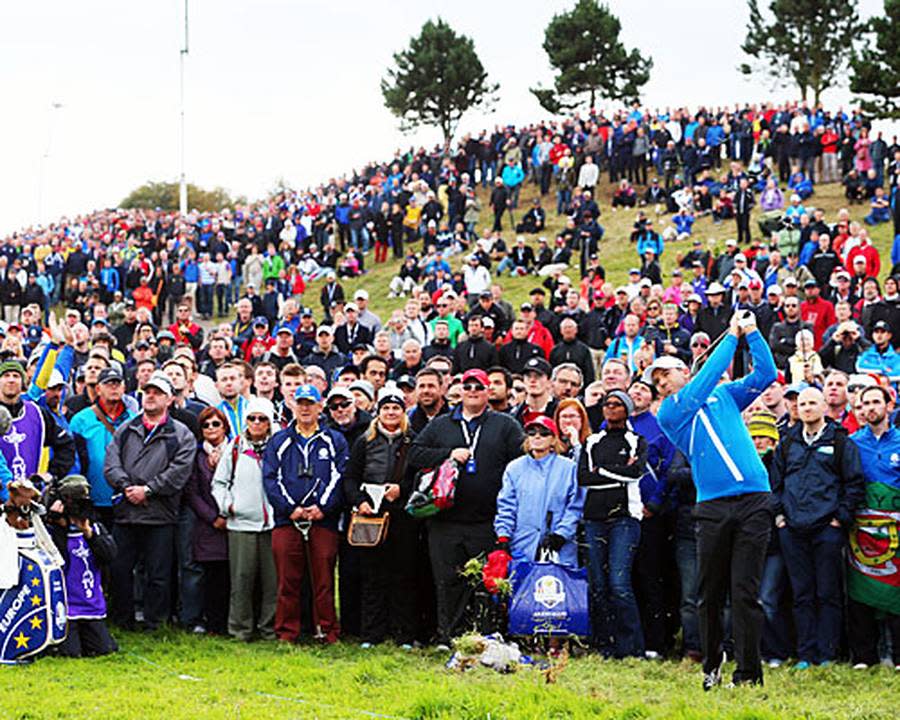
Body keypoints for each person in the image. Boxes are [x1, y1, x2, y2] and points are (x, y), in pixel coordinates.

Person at [653, 311, 777, 689]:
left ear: (683, 371)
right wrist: (732, 336)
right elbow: (708, 376)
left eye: (666, 373)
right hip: (712, 507)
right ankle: (712, 665)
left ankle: (749, 674)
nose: (660, 382)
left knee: (745, 592)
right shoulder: (671, 411)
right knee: (708, 592)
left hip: (755, 498)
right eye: (655, 380)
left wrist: (753, 334)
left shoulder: (723, 395)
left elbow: (765, 376)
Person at [409, 368, 524, 645]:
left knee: (485, 583)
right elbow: (415, 453)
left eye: (479, 387)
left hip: (486, 520)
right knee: (448, 582)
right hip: (446, 521)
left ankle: (485, 636)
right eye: (468, 386)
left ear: (488, 392)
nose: (473, 391)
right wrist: (448, 454)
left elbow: (521, 460)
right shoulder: (441, 424)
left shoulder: (504, 424)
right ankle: (451, 637)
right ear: (459, 391)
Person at [771, 387, 865, 668]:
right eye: (802, 404)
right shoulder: (787, 443)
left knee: (828, 593)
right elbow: (774, 484)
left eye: (813, 402)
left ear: (825, 406)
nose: (807, 408)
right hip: (793, 529)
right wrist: (780, 518)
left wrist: (840, 519)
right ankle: (806, 653)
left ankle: (827, 654)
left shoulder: (840, 442)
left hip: (827, 528)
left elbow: (854, 483)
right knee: (802, 594)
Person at [103, 371, 197, 631]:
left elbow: (179, 472)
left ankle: (156, 622)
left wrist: (149, 490)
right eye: (147, 392)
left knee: (159, 574)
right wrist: (127, 487)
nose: (151, 396)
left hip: (160, 514)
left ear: (169, 399)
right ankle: (122, 620)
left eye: (157, 392)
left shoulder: (182, 434)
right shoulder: (126, 429)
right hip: (126, 511)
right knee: (120, 570)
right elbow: (111, 464)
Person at [262, 384, 348, 644]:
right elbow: (270, 478)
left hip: (324, 520)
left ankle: (326, 631)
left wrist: (322, 507)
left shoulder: (334, 440)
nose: (305, 408)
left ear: (320, 406)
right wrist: (292, 509)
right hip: (287, 521)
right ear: (292, 405)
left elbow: (341, 476)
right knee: (288, 580)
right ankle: (287, 632)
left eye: (310, 403)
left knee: (323, 580)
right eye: (301, 403)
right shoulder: (279, 440)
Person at [342, 386, 418, 647]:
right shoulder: (364, 441)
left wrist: (403, 490)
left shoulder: (413, 440)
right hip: (371, 516)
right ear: (378, 411)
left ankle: (403, 634)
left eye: (396, 408)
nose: (391, 412)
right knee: (372, 577)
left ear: (403, 411)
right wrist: (360, 501)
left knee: (403, 576)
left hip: (402, 517)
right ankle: (371, 634)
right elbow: (350, 478)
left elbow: (420, 478)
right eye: (386, 407)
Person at [578, 389, 647, 658]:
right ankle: (604, 645)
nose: (610, 408)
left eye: (617, 404)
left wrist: (602, 471)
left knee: (619, 584)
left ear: (627, 410)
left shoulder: (635, 440)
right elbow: (583, 478)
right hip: (594, 517)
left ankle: (632, 648)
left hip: (625, 518)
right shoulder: (591, 441)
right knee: (598, 585)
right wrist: (618, 472)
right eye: (607, 404)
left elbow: (636, 472)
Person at [211, 396, 277, 641]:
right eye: (252, 418)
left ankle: (270, 629)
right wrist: (227, 505)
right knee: (241, 580)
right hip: (241, 523)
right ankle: (240, 629)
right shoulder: (236, 445)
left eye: (262, 419)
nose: (257, 423)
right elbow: (219, 481)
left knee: (273, 582)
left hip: (273, 522)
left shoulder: (278, 445)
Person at [846, 385, 900, 670]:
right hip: (861, 529)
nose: (870, 408)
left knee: (896, 588)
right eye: (864, 403)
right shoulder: (852, 443)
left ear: (889, 405)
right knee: (861, 588)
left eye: (875, 402)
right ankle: (864, 656)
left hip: (895, 529)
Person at [493, 415, 582, 567]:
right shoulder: (514, 468)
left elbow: (576, 506)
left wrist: (562, 534)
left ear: (554, 439)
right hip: (522, 545)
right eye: (532, 433)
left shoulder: (569, 468)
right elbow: (506, 506)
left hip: (559, 549)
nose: (537, 437)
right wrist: (503, 536)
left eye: (544, 433)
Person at [69, 366, 136, 527]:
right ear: (98, 389)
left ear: (124, 388)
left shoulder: (135, 420)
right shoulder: (81, 420)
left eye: (117, 383)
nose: (113, 387)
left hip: (126, 499)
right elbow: (72, 459)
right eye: (108, 384)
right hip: (92, 500)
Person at [184, 406, 231, 635]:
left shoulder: (236, 452)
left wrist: (228, 514)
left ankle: (230, 622)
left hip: (234, 520)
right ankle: (211, 622)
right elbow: (192, 492)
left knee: (232, 574)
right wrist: (213, 517)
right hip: (207, 523)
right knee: (210, 575)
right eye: (206, 424)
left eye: (216, 424)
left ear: (225, 427)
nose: (211, 428)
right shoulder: (196, 456)